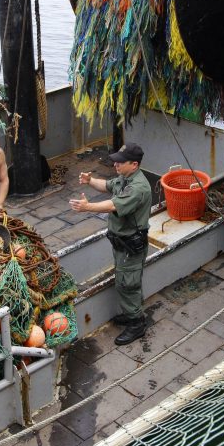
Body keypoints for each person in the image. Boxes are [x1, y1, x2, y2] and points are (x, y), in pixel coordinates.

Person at [69, 143, 152, 345]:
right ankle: (131, 312)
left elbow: (113, 205)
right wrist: (90, 181)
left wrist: (88, 207)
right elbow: (107, 185)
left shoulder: (138, 187)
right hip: (122, 244)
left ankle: (136, 323)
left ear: (134, 164)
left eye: (120, 162)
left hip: (130, 246)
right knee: (125, 279)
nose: (115, 164)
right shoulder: (125, 177)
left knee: (128, 284)